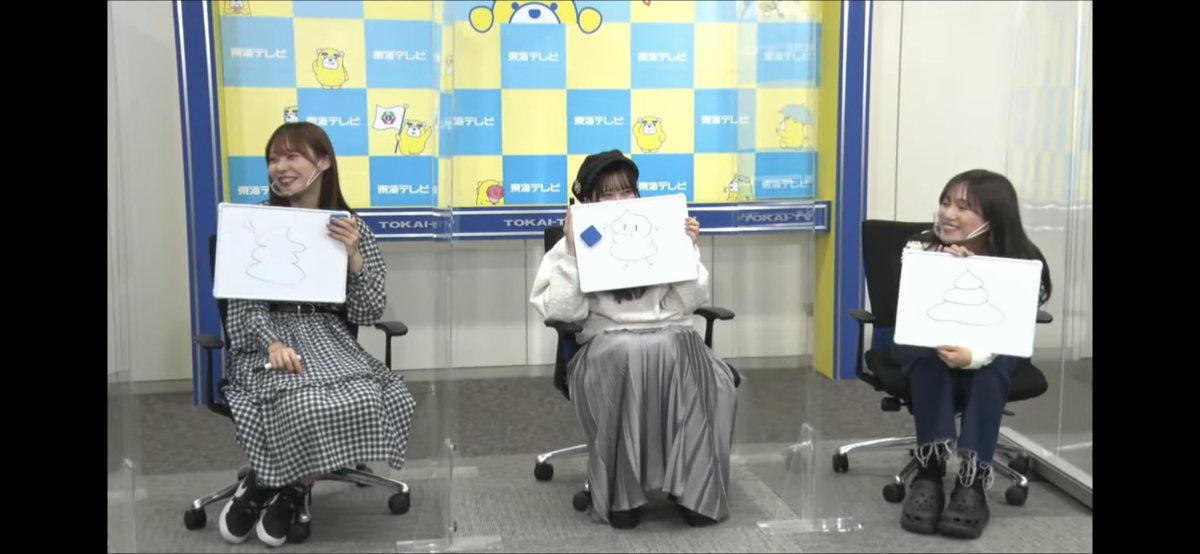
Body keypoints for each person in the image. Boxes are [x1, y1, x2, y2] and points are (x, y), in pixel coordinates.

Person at [218, 122, 417, 547]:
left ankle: (283, 483)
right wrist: (272, 343)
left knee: (383, 394)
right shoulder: (254, 221)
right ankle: (278, 482)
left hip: (328, 338)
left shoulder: (352, 228)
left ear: (323, 162)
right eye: (273, 158)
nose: (280, 167)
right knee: (301, 399)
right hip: (267, 335)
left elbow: (368, 311)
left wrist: (354, 256)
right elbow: (243, 304)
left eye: (292, 156)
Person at [529, 150, 738, 530]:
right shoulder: (568, 247)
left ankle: (695, 489)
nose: (619, 201)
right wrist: (573, 254)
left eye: (626, 191)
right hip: (608, 345)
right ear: (587, 200)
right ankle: (621, 492)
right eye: (607, 194)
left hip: (671, 338)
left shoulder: (661, 231)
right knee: (628, 352)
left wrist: (688, 250)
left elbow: (688, 303)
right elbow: (563, 313)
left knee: (688, 357)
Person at [893, 169, 1052, 539]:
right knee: (928, 358)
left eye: (963, 207)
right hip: (925, 344)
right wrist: (939, 268)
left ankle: (972, 481)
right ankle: (929, 472)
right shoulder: (920, 247)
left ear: (992, 218)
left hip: (995, 349)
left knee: (990, 370)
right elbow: (909, 313)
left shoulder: (1023, 260)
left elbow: (1014, 328)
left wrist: (976, 355)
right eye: (945, 202)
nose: (948, 214)